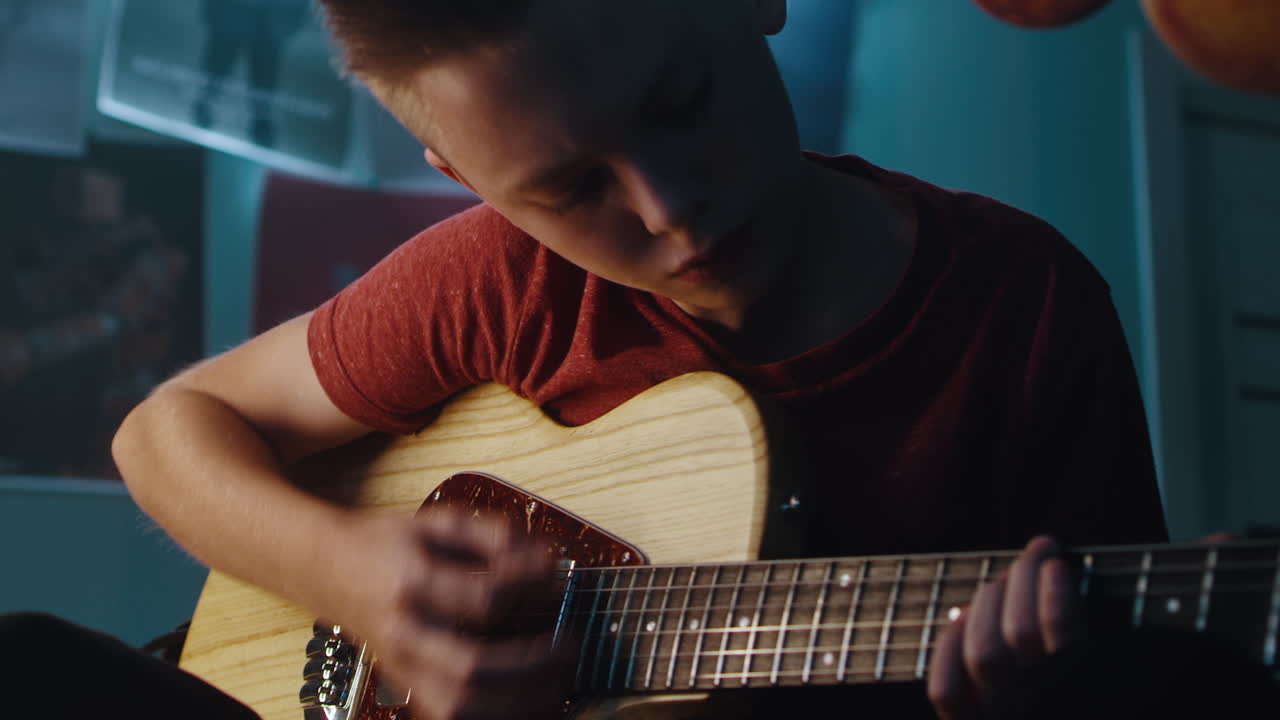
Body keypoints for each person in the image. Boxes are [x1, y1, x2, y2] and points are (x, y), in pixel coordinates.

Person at [110, 1, 1177, 718]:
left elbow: (1148, 671)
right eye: (570, 190)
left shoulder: (1022, 306)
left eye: (680, 105)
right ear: (465, 178)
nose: (669, 208)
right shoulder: (504, 282)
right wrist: (346, 575)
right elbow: (164, 430)